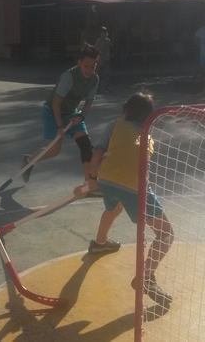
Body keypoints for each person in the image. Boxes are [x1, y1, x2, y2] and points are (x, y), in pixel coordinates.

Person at [75, 91, 174, 308]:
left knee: (114, 207)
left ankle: (99, 243)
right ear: (149, 117)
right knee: (166, 233)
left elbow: (97, 155)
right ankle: (145, 276)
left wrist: (92, 178)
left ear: (126, 111)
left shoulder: (113, 125)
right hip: (133, 188)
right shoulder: (148, 138)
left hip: (107, 181)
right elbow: (140, 170)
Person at [21, 43, 100, 186]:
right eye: (86, 66)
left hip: (71, 113)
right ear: (79, 63)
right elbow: (56, 102)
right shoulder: (68, 77)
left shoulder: (95, 79)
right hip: (53, 112)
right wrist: (59, 126)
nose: (89, 70)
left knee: (86, 146)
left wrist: (81, 116)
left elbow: (89, 102)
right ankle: (28, 160)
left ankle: (89, 184)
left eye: (93, 67)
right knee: (54, 151)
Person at [93, 26, 112, 92]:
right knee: (98, 74)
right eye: (102, 32)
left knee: (107, 74)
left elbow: (109, 49)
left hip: (106, 59)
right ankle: (97, 88)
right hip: (99, 59)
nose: (103, 34)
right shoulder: (98, 41)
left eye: (104, 32)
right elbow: (96, 50)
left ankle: (106, 87)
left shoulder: (108, 41)